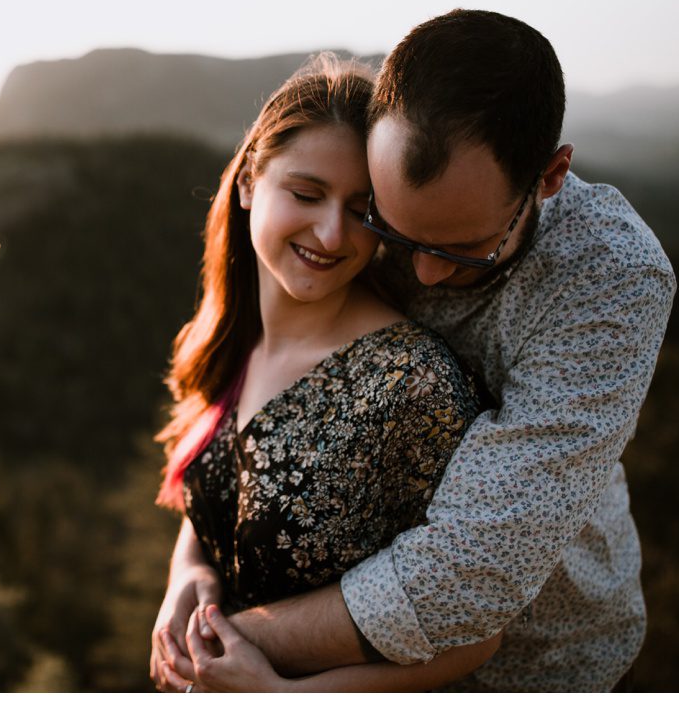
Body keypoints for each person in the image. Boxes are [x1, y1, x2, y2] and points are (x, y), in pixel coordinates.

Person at [155, 10, 676, 692]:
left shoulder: (609, 274)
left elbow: (473, 571)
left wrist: (226, 644)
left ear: (549, 176)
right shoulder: (347, 221)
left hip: (539, 663)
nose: (423, 275)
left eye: (462, 249)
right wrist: (192, 575)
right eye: (396, 232)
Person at [148, 54, 502, 692]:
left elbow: (475, 631)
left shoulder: (409, 384)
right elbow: (216, 502)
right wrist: (189, 577)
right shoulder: (232, 343)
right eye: (306, 194)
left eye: (362, 210)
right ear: (251, 180)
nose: (333, 233)